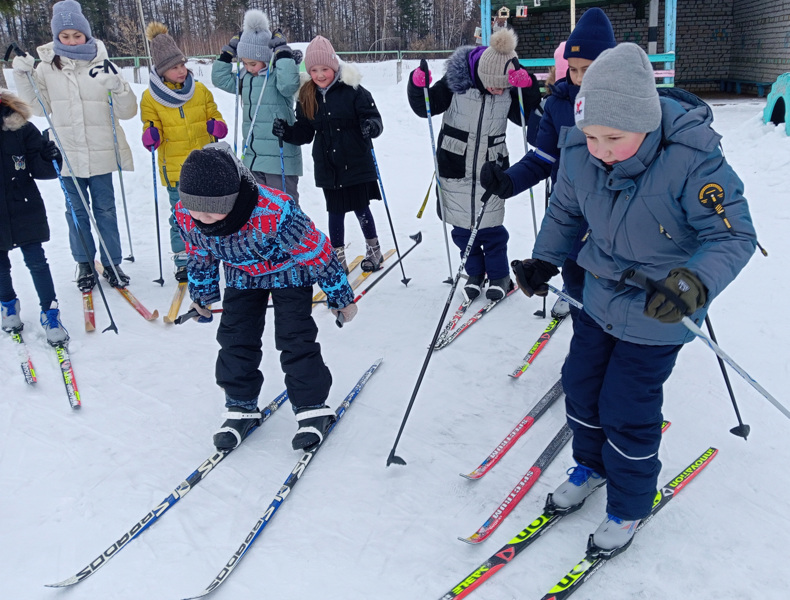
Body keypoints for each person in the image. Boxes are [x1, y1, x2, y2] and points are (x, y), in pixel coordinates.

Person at [511, 43, 756, 555]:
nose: (599, 147)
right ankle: (593, 466)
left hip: (660, 308)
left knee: (625, 405)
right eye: (593, 135)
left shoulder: (692, 159)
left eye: (613, 138)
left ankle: (628, 506)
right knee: (580, 385)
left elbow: (733, 236)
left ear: (644, 124)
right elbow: (565, 213)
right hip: (599, 295)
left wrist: (692, 284)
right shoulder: (581, 149)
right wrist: (544, 260)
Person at [174, 143, 358, 451]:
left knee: (294, 336)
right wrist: (202, 295)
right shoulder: (186, 214)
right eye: (196, 209)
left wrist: (340, 297)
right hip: (242, 275)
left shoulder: (274, 211)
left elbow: (316, 252)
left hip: (290, 272)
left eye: (212, 211)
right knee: (235, 337)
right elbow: (199, 254)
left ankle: (312, 407)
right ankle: (240, 405)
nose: (203, 218)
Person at [481, 7, 616, 315]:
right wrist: (509, 180)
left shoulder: (625, 103)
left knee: (609, 298)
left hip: (613, 222)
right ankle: (575, 304)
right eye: (573, 69)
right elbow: (542, 158)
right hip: (568, 216)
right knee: (577, 283)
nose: (579, 78)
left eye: (588, 69)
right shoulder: (558, 104)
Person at [406, 28, 540, 301]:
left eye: (504, 86)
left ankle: (500, 275)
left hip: (490, 170)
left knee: (491, 230)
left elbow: (526, 114)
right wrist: (416, 85)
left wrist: (527, 87)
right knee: (461, 231)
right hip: (454, 165)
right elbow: (426, 107)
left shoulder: (507, 89)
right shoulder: (457, 82)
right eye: (495, 85)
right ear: (482, 75)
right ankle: (475, 273)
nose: (499, 90)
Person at [12, 0, 136, 290]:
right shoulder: (45, 69)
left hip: (101, 151)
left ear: (86, 34)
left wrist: (118, 86)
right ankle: (83, 262)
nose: (71, 40)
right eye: (64, 36)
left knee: (105, 209)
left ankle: (111, 262)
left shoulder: (103, 63)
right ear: (56, 36)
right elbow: (36, 109)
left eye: (76, 35)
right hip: (66, 154)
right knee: (76, 212)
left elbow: (127, 111)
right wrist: (22, 76)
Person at [272, 35, 384, 273]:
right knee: (335, 212)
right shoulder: (307, 95)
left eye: (324, 69)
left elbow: (373, 117)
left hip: (355, 161)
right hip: (328, 165)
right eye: (314, 70)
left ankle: (374, 249)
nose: (320, 75)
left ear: (333, 66)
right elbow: (305, 132)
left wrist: (370, 126)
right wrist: (288, 132)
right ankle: (337, 254)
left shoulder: (353, 90)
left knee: (361, 208)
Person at [140, 21, 227, 282]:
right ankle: (182, 258)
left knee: (210, 214)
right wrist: (150, 136)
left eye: (181, 65)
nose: (180, 71)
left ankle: (210, 253)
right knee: (180, 215)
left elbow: (215, 116)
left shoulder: (199, 90)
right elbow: (150, 127)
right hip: (176, 169)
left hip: (205, 166)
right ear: (161, 70)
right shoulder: (150, 98)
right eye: (173, 67)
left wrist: (217, 126)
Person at [0, 89, 69, 346]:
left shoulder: (18, 125)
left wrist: (49, 156)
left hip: (23, 204)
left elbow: (42, 171)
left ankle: (50, 313)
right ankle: (8, 305)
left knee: (36, 261)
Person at [212, 10, 303, 203]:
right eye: (244, 63)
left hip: (279, 158)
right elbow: (219, 80)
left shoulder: (278, 74)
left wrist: (283, 53)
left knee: (284, 207)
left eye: (252, 63)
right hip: (252, 157)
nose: (248, 67)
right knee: (258, 210)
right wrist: (227, 54)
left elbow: (288, 85)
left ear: (266, 57)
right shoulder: (245, 78)